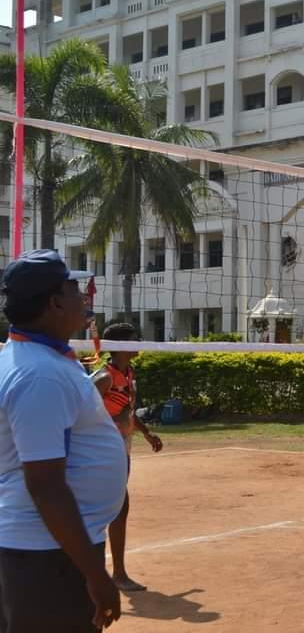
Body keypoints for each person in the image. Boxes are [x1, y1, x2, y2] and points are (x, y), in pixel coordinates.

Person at [0, 250, 126, 630]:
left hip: (49, 549)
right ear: (55, 302)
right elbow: (46, 486)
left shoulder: (40, 359)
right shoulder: (39, 374)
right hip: (46, 556)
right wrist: (96, 575)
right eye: (75, 289)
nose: (85, 297)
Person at [90, 322, 163, 593]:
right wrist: (113, 421)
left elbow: (128, 412)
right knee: (116, 508)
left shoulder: (129, 373)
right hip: (103, 451)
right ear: (119, 345)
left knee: (117, 508)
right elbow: (81, 413)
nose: (139, 343)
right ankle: (113, 574)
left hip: (122, 448)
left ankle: (111, 573)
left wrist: (145, 432)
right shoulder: (103, 377)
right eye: (134, 339)